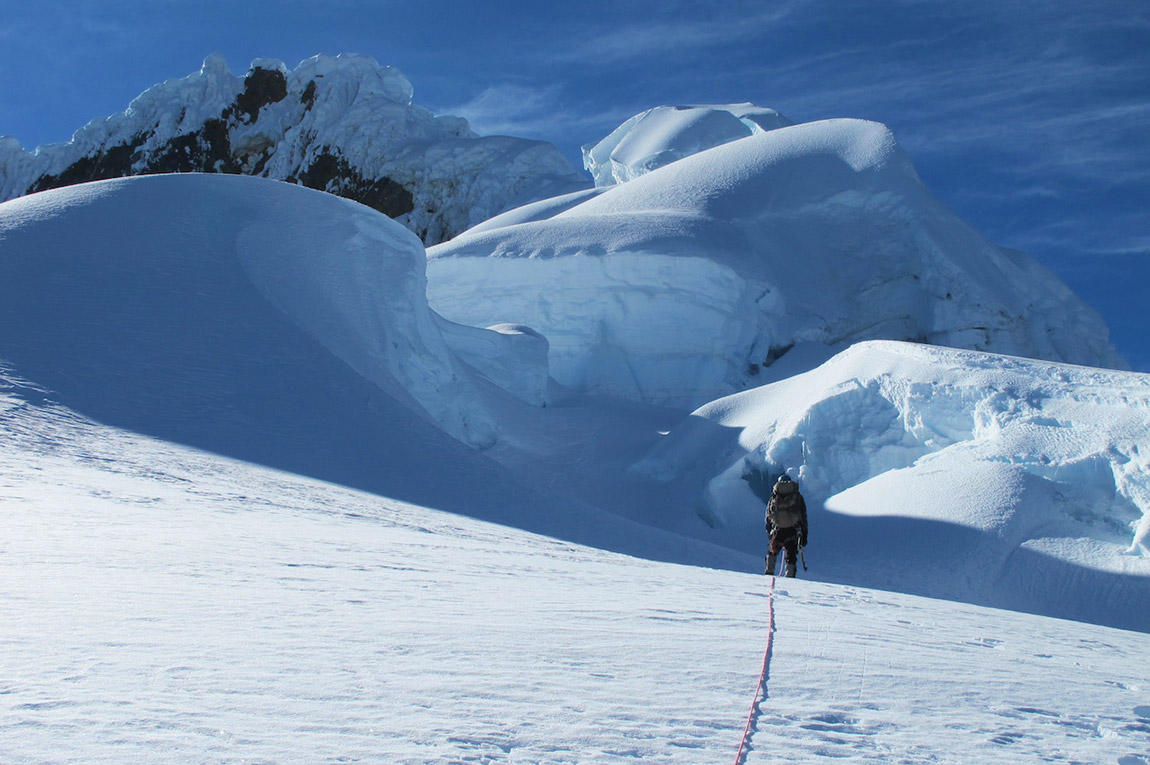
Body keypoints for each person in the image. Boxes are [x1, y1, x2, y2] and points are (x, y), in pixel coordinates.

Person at [765, 474, 808, 577]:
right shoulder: (797, 497)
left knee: (772, 552)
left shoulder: (774, 496)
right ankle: (789, 577)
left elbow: (768, 516)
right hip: (793, 531)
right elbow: (803, 517)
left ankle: (769, 573)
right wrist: (804, 536)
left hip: (777, 530)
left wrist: (770, 532)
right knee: (791, 555)